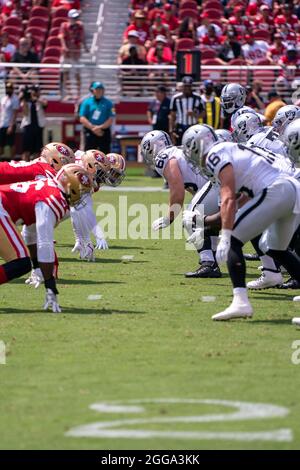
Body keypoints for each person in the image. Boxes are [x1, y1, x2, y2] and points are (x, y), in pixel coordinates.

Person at [184, 125, 300, 321]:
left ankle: (240, 302)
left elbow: (228, 198)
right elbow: (238, 205)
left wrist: (227, 236)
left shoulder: (215, 154)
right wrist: (204, 223)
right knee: (273, 247)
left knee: (235, 239)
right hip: (292, 191)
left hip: (279, 188)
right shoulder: (233, 153)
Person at [0, 164, 92, 313]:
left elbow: (30, 233)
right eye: (81, 191)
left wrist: (37, 267)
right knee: (20, 263)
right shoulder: (54, 198)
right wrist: (50, 285)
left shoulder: (50, 187)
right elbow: (44, 243)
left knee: (22, 262)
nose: (82, 197)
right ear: (69, 185)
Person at [140, 129, 221, 278]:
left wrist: (169, 217)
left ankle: (208, 263)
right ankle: (213, 259)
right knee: (204, 219)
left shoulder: (164, 157)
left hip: (216, 185)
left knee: (190, 218)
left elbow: (177, 191)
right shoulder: (177, 150)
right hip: (220, 184)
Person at [59, 9, 88, 100]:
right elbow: (61, 36)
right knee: (66, 73)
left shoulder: (80, 26)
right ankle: (69, 93)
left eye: (76, 17)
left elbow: (82, 37)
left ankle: (78, 94)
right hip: (66, 54)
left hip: (76, 53)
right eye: (74, 18)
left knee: (77, 74)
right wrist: (64, 46)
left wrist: (85, 47)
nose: (75, 19)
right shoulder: (64, 26)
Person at [79, 81, 115, 154]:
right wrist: (93, 128)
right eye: (97, 89)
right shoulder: (86, 102)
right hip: (90, 130)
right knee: (89, 153)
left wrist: (100, 128)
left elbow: (111, 118)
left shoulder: (109, 103)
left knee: (105, 153)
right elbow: (82, 118)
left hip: (103, 131)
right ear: (93, 90)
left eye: (101, 89)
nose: (99, 91)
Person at [169, 76, 204, 145]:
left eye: (189, 86)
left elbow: (203, 114)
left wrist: (194, 114)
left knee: (193, 148)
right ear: (183, 86)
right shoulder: (176, 98)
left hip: (193, 126)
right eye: (186, 86)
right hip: (180, 126)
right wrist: (171, 131)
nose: (187, 88)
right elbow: (172, 116)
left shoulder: (198, 98)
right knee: (179, 147)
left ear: (191, 86)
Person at [20, 85, 48, 161]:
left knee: (38, 149)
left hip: (38, 126)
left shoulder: (41, 100)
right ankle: (25, 164)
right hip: (28, 126)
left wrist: (36, 98)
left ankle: (36, 164)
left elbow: (45, 104)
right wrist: (25, 98)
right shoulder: (26, 101)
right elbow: (25, 113)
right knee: (26, 148)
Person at [0, 82, 19, 160]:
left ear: (12, 89)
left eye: (10, 88)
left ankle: (12, 162)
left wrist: (11, 126)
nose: (8, 89)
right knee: (1, 145)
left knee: (11, 144)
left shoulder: (15, 99)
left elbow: (15, 114)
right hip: (2, 124)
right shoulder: (3, 98)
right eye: (7, 87)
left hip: (9, 125)